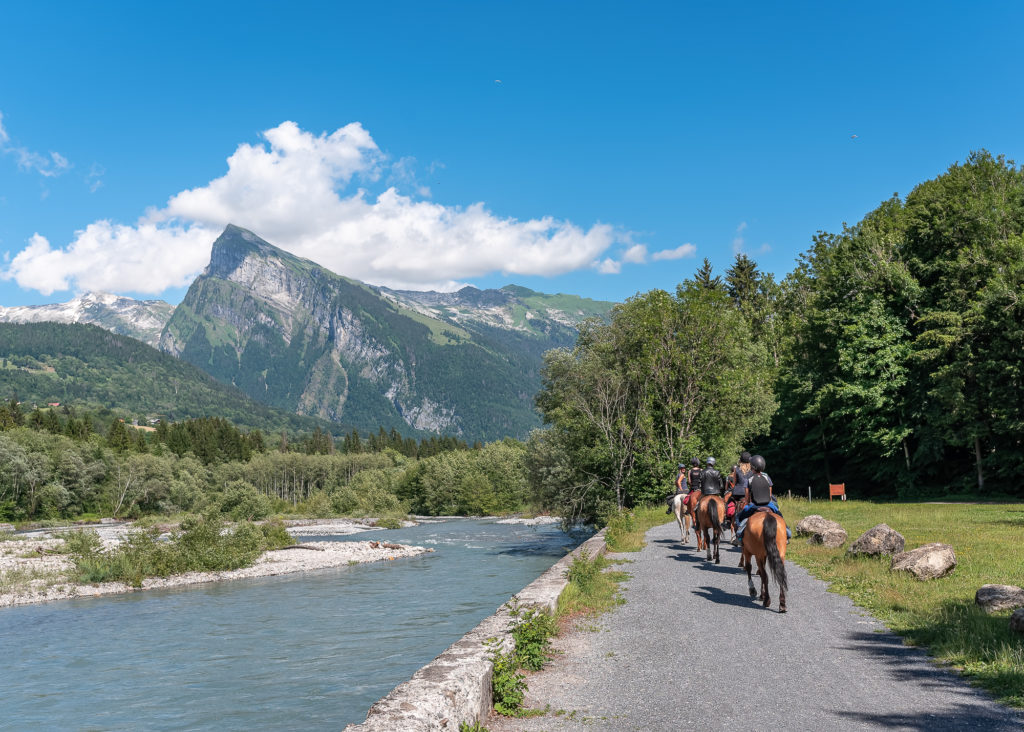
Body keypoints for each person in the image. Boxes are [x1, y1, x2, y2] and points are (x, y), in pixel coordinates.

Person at [734, 454, 790, 542]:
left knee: (738, 517)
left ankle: (739, 535)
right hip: (769, 504)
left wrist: (747, 503)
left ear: (752, 467)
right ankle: (787, 533)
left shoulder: (749, 480)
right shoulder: (767, 477)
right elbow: (770, 493)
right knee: (779, 515)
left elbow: (747, 497)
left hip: (755, 505)